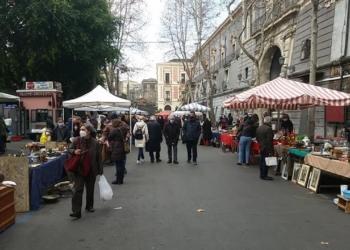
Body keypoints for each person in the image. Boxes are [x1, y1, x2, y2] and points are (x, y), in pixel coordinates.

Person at [68, 124, 103, 218]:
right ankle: (76, 210)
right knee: (78, 189)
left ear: (89, 131)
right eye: (80, 129)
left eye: (83, 129)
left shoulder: (95, 142)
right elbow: (70, 149)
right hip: (79, 169)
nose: (81, 130)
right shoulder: (77, 140)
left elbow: (99, 157)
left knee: (90, 189)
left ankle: (89, 206)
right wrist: (74, 151)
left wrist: (100, 170)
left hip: (91, 169)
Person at [108, 119, 127, 184]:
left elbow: (109, 137)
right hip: (122, 146)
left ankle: (118, 179)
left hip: (116, 147)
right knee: (121, 163)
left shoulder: (115, 130)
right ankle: (121, 178)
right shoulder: (124, 128)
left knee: (118, 164)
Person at [256, 116, 274, 180]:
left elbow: (257, 138)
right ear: (269, 122)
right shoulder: (268, 129)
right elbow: (270, 140)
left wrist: (260, 144)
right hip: (266, 147)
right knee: (265, 161)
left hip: (261, 146)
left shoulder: (259, 128)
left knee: (262, 160)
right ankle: (264, 175)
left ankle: (262, 173)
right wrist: (271, 150)